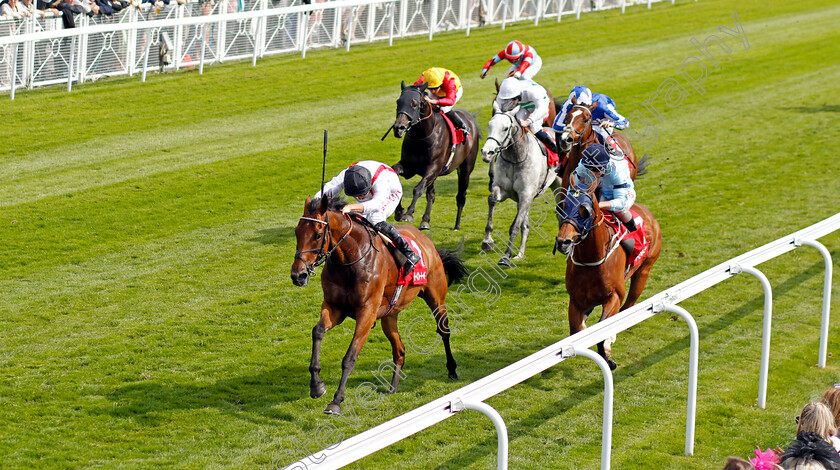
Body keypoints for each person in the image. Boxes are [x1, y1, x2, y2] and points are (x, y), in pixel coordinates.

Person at [313, 160, 421, 276]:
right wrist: (317, 203)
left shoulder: (381, 182)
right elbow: (329, 188)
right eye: (357, 196)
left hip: (391, 191)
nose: (360, 197)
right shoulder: (346, 175)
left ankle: (409, 253)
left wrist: (352, 207)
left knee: (374, 219)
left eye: (362, 194)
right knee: (358, 220)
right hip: (369, 182)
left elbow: (376, 204)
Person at [572, 144, 637, 242]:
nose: (593, 173)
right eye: (590, 169)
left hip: (625, 194)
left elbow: (620, 203)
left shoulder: (617, 169)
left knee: (619, 210)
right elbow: (575, 189)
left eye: (597, 169)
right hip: (605, 191)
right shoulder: (584, 164)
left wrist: (598, 205)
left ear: (605, 165)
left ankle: (634, 232)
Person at [553, 85, 630, 158]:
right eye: (574, 105)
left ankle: (610, 149)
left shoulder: (602, 106)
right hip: (577, 127)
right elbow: (556, 125)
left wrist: (610, 123)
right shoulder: (568, 104)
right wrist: (571, 128)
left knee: (598, 133)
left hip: (599, 126)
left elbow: (625, 122)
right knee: (564, 137)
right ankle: (561, 161)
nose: (577, 109)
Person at [495, 77, 557, 159]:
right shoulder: (505, 93)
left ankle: (554, 148)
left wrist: (528, 121)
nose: (509, 102)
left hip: (540, 107)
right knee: (515, 123)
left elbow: (542, 109)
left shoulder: (534, 91)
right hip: (523, 106)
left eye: (512, 99)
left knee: (534, 126)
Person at [413, 67, 470, 138]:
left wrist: (434, 101)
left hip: (454, 91)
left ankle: (462, 125)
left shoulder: (450, 81)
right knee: (428, 105)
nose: (433, 91)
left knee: (444, 108)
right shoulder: (426, 76)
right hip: (442, 88)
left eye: (435, 88)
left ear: (441, 84)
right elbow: (415, 87)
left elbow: (450, 101)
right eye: (430, 89)